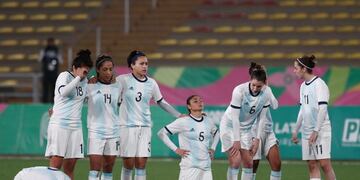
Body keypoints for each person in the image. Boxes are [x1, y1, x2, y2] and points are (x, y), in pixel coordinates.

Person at [117, 50, 183, 180]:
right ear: (132, 65)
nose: (145, 66)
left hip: (145, 127)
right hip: (127, 127)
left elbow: (161, 102)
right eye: (141, 63)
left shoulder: (151, 83)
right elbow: (113, 98)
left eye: (146, 63)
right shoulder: (122, 80)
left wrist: (178, 115)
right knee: (128, 164)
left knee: (141, 164)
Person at [219, 62, 279, 180]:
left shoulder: (266, 92)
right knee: (235, 161)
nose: (255, 88)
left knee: (249, 163)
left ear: (264, 84)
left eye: (259, 86)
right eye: (253, 85)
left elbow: (261, 118)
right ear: (250, 80)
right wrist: (236, 140)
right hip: (230, 126)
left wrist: (257, 140)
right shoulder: (239, 91)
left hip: (246, 129)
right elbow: (235, 118)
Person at [45, 49, 93, 180]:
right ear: (74, 68)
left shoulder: (86, 82)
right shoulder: (64, 76)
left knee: (70, 167)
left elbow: (89, 98)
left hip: (75, 127)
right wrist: (78, 78)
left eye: (87, 70)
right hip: (60, 124)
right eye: (83, 69)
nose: (85, 72)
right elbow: (64, 92)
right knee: (56, 164)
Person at [291, 55, 336, 180]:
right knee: (311, 165)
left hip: (321, 130)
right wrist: (296, 130)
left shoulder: (319, 84)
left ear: (304, 69)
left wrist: (316, 130)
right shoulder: (302, 86)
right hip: (306, 131)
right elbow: (303, 109)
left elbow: (323, 109)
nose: (294, 70)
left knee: (324, 164)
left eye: (296, 68)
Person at [157, 95, 220, 180]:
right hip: (190, 167)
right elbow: (161, 133)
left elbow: (217, 133)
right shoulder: (183, 121)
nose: (199, 102)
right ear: (189, 106)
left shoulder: (208, 120)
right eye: (195, 101)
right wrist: (176, 149)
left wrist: (213, 148)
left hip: (206, 167)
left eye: (201, 100)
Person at [87, 55, 121, 180]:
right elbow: (75, 100)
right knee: (94, 170)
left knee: (108, 169)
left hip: (113, 132)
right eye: (105, 69)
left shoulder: (118, 86)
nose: (108, 72)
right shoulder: (90, 85)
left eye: (111, 69)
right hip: (96, 132)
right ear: (98, 70)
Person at [251, 66, 282, 180]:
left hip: (268, 131)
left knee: (277, 164)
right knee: (253, 165)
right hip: (253, 132)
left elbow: (275, 105)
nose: (255, 88)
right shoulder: (246, 91)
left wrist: (267, 88)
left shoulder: (266, 90)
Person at [39, 37, 63, 103]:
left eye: (51, 42)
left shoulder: (57, 51)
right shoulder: (44, 50)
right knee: (45, 90)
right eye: (49, 42)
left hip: (54, 73)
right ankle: (45, 103)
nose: (50, 44)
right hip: (46, 73)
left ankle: (53, 102)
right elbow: (40, 59)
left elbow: (61, 61)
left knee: (54, 90)